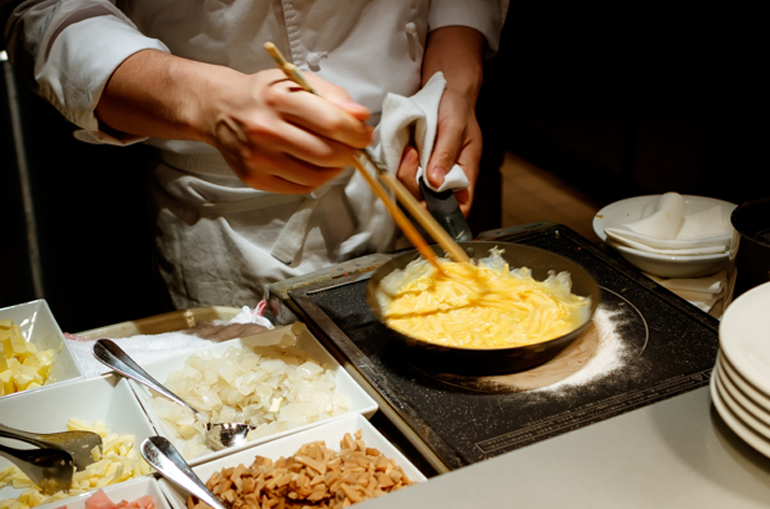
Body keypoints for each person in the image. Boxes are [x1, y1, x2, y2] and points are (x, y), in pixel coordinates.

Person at [2, 1, 508, 309]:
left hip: (408, 168)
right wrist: (202, 101)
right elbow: (46, 10)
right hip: (228, 209)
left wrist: (455, 77)